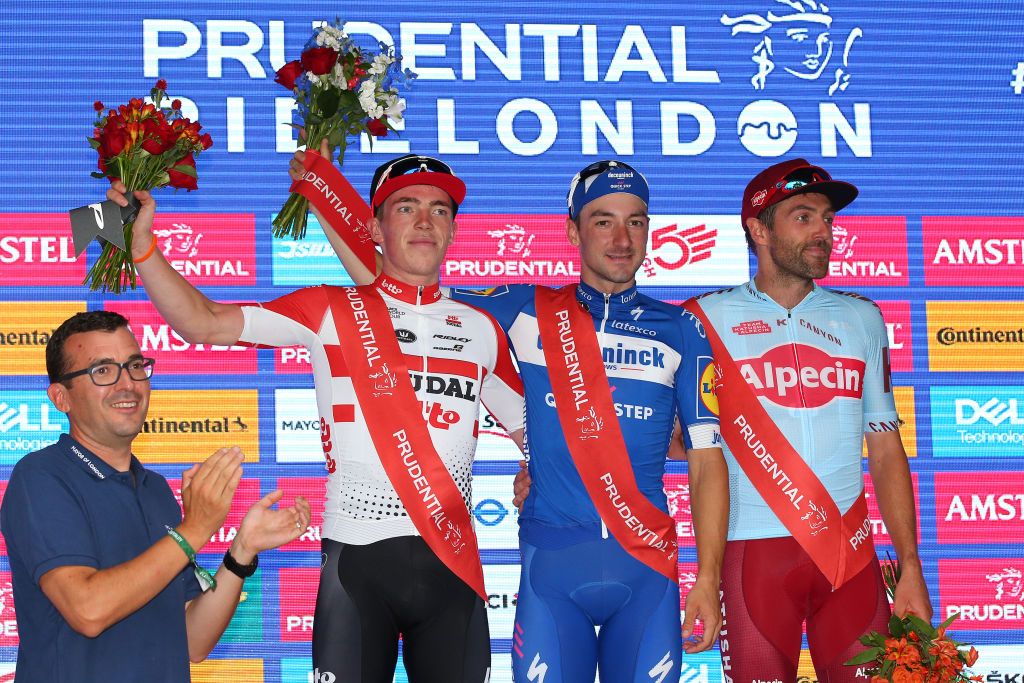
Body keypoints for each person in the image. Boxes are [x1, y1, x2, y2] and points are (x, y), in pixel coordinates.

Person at [306, 152, 728, 683]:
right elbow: (397, 286)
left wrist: (708, 579)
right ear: (573, 232)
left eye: (635, 222)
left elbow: (707, 461)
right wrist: (323, 189)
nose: (622, 240)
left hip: (647, 570)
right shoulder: (522, 309)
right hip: (552, 570)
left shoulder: (683, 328)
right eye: (603, 221)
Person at [106, 153, 526, 683]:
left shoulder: (481, 326)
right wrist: (143, 248)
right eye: (407, 207)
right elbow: (203, 324)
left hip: (454, 570)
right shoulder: (329, 309)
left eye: (440, 210)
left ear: (453, 228)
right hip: (357, 566)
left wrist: (535, 468)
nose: (425, 221)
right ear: (374, 226)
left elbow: (534, 430)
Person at [681, 158, 931, 681]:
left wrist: (910, 565)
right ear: (758, 229)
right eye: (803, 217)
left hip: (852, 558)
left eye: (828, 219)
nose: (824, 232)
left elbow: (885, 448)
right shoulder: (702, 318)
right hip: (752, 556)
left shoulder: (863, 318)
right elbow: (674, 438)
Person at [0, 310, 311, 683]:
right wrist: (194, 529)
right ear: (60, 397)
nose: (127, 384)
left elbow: (193, 641)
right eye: (102, 371)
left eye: (134, 365)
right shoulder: (41, 476)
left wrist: (241, 552)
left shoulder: (156, 490)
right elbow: (88, 610)